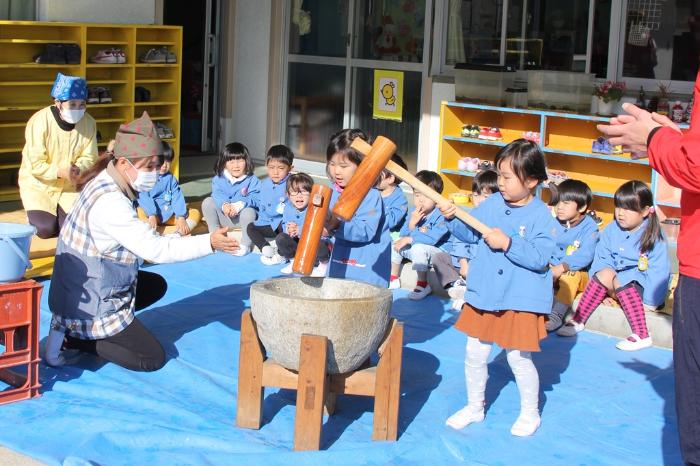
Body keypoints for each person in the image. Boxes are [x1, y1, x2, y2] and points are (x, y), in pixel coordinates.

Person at [45, 112, 238, 371]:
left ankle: (76, 328)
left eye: (156, 165)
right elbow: (157, 249)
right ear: (124, 163)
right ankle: (79, 339)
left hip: (76, 288)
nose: (155, 173)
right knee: (150, 358)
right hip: (90, 302)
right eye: (149, 167)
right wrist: (210, 243)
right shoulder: (111, 203)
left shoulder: (105, 178)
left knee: (154, 285)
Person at [440, 139, 557, 437]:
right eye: (499, 175)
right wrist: (452, 216)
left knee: (519, 357)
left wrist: (508, 243)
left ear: (531, 180)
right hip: (487, 293)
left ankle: (530, 412)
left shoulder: (541, 215)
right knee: (475, 353)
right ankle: (474, 406)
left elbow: (541, 257)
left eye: (507, 177)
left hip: (520, 298)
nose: (500, 183)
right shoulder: (492, 204)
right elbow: (469, 230)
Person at [557, 181, 670, 350]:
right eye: (618, 207)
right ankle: (579, 319)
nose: (621, 213)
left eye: (629, 208)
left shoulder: (654, 235)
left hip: (642, 290)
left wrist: (651, 302)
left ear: (646, 211)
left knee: (621, 280)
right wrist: (603, 293)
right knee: (605, 273)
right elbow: (602, 260)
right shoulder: (611, 229)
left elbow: (659, 272)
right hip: (616, 286)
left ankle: (641, 334)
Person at [19, 72, 98, 238]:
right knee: (45, 230)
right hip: (39, 185)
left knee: (73, 229)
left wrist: (78, 169)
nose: (78, 109)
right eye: (73, 104)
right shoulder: (39, 121)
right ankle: (33, 214)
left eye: (82, 104)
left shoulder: (89, 122)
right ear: (58, 103)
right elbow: (35, 163)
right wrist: (60, 172)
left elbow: (90, 157)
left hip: (69, 187)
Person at [325, 129, 391, 287]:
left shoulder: (371, 196)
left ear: (362, 166)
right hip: (338, 263)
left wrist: (335, 224)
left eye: (343, 165)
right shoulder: (333, 192)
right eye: (332, 164)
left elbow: (365, 230)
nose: (336, 171)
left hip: (365, 269)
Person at [432, 169, 498, 309]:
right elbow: (462, 238)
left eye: (486, 196)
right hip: (464, 263)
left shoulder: (496, 218)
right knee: (439, 258)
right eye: (476, 195)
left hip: (481, 265)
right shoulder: (470, 214)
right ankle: (459, 285)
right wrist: (463, 264)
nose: (480, 200)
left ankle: (470, 294)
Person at [545, 179, 600, 331]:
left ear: (582, 207)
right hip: (552, 268)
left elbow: (585, 255)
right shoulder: (551, 222)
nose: (559, 207)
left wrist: (561, 267)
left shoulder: (590, 228)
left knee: (570, 276)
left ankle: (556, 315)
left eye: (566, 203)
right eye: (558, 202)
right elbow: (543, 244)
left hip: (577, 273)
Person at [389, 170, 449, 300]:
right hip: (418, 251)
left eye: (426, 196)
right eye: (417, 195)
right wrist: (412, 224)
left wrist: (411, 237)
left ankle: (423, 284)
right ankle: (393, 277)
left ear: (437, 197)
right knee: (396, 242)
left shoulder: (441, 214)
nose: (420, 200)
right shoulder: (413, 212)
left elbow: (433, 239)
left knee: (418, 248)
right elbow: (403, 234)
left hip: (437, 253)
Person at [201, 142, 259, 255]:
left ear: (247, 162)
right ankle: (216, 236)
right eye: (231, 161)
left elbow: (257, 198)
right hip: (225, 217)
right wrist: (224, 204)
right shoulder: (218, 179)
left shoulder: (252, 180)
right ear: (224, 163)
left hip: (241, 220)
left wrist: (240, 205)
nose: (236, 165)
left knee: (249, 212)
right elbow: (217, 194)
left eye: (240, 160)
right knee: (208, 202)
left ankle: (245, 245)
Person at [136, 141, 200, 236]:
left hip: (169, 214)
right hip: (152, 217)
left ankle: (173, 232)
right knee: (139, 211)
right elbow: (143, 196)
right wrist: (151, 214)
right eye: (161, 161)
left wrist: (181, 216)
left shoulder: (171, 179)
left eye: (168, 162)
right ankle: (169, 232)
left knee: (195, 213)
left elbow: (177, 197)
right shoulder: (146, 177)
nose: (165, 165)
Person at [246, 144, 294, 264]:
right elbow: (260, 202)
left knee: (285, 233)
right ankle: (265, 247)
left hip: (282, 223)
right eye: (271, 167)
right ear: (266, 166)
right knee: (251, 227)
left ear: (290, 168)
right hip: (267, 223)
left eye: (281, 168)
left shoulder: (293, 184)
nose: (275, 172)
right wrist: (245, 199)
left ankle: (282, 254)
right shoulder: (265, 183)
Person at [275, 172, 330, 275]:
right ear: (288, 194)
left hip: (315, 250)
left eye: (304, 192)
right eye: (294, 192)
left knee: (319, 242)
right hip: (300, 248)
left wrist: (300, 230)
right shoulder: (287, 208)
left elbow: (322, 232)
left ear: (312, 193)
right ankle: (294, 260)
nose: (299, 196)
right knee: (281, 237)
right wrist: (289, 229)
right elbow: (285, 224)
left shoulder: (316, 208)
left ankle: (323, 264)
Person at [377, 153, 409, 240]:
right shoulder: (372, 191)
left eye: (378, 172)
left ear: (390, 178)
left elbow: (391, 221)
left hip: (392, 234)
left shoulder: (400, 199)